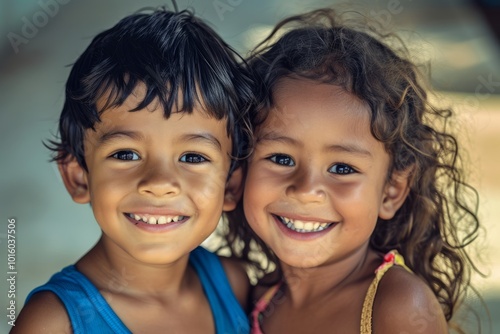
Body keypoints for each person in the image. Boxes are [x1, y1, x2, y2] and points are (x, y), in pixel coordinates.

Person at [12, 7, 254, 334]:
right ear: (78, 176)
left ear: (230, 185)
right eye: (126, 153)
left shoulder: (232, 284)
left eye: (194, 157)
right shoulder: (53, 323)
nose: (159, 183)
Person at [242, 8, 481, 334]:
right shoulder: (261, 298)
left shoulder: (397, 305)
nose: (306, 189)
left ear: (391, 190)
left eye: (342, 168)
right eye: (282, 159)